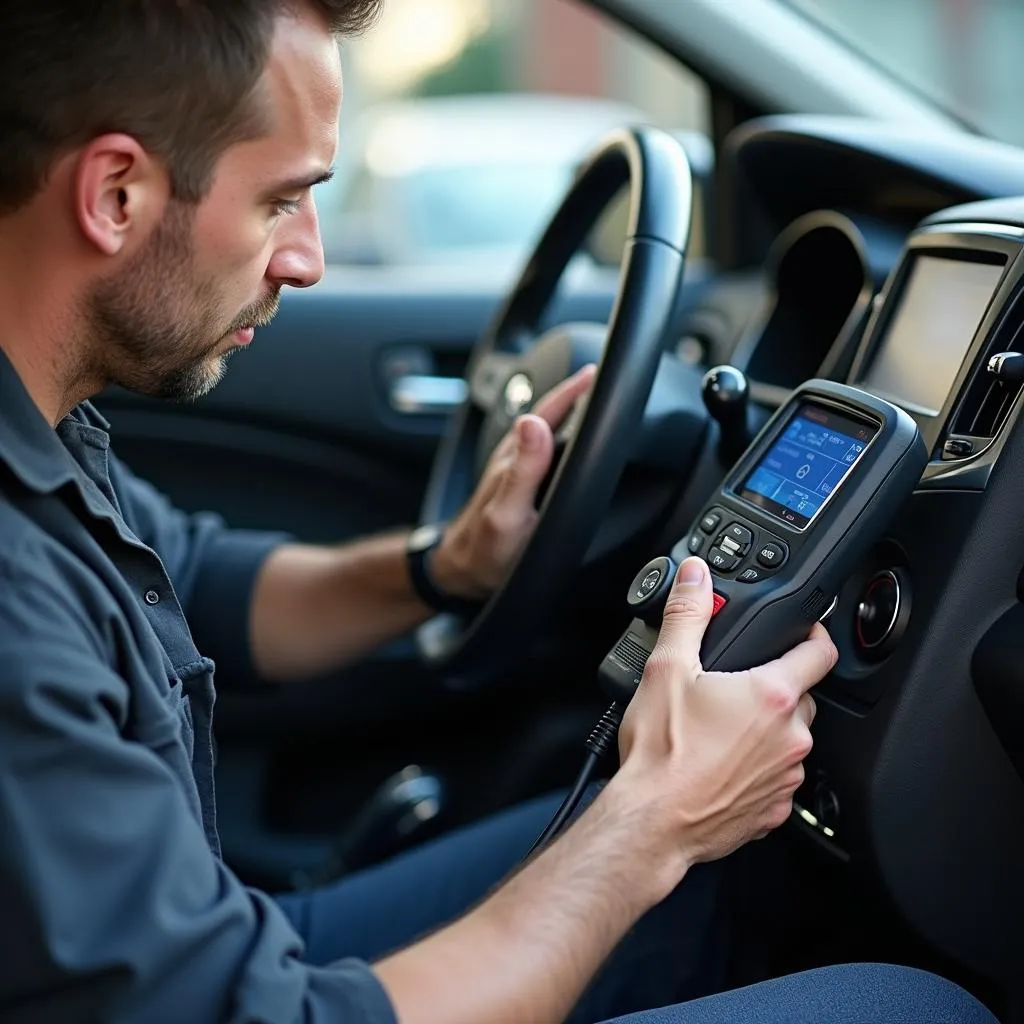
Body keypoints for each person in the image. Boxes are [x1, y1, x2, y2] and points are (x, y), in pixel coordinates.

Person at [0, 2, 998, 1022]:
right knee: (916, 1007)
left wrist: (448, 563)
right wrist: (656, 816)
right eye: (282, 201)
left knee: (739, 874)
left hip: (208, 952)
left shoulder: (44, 422)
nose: (307, 258)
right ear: (116, 192)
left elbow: (202, 581)